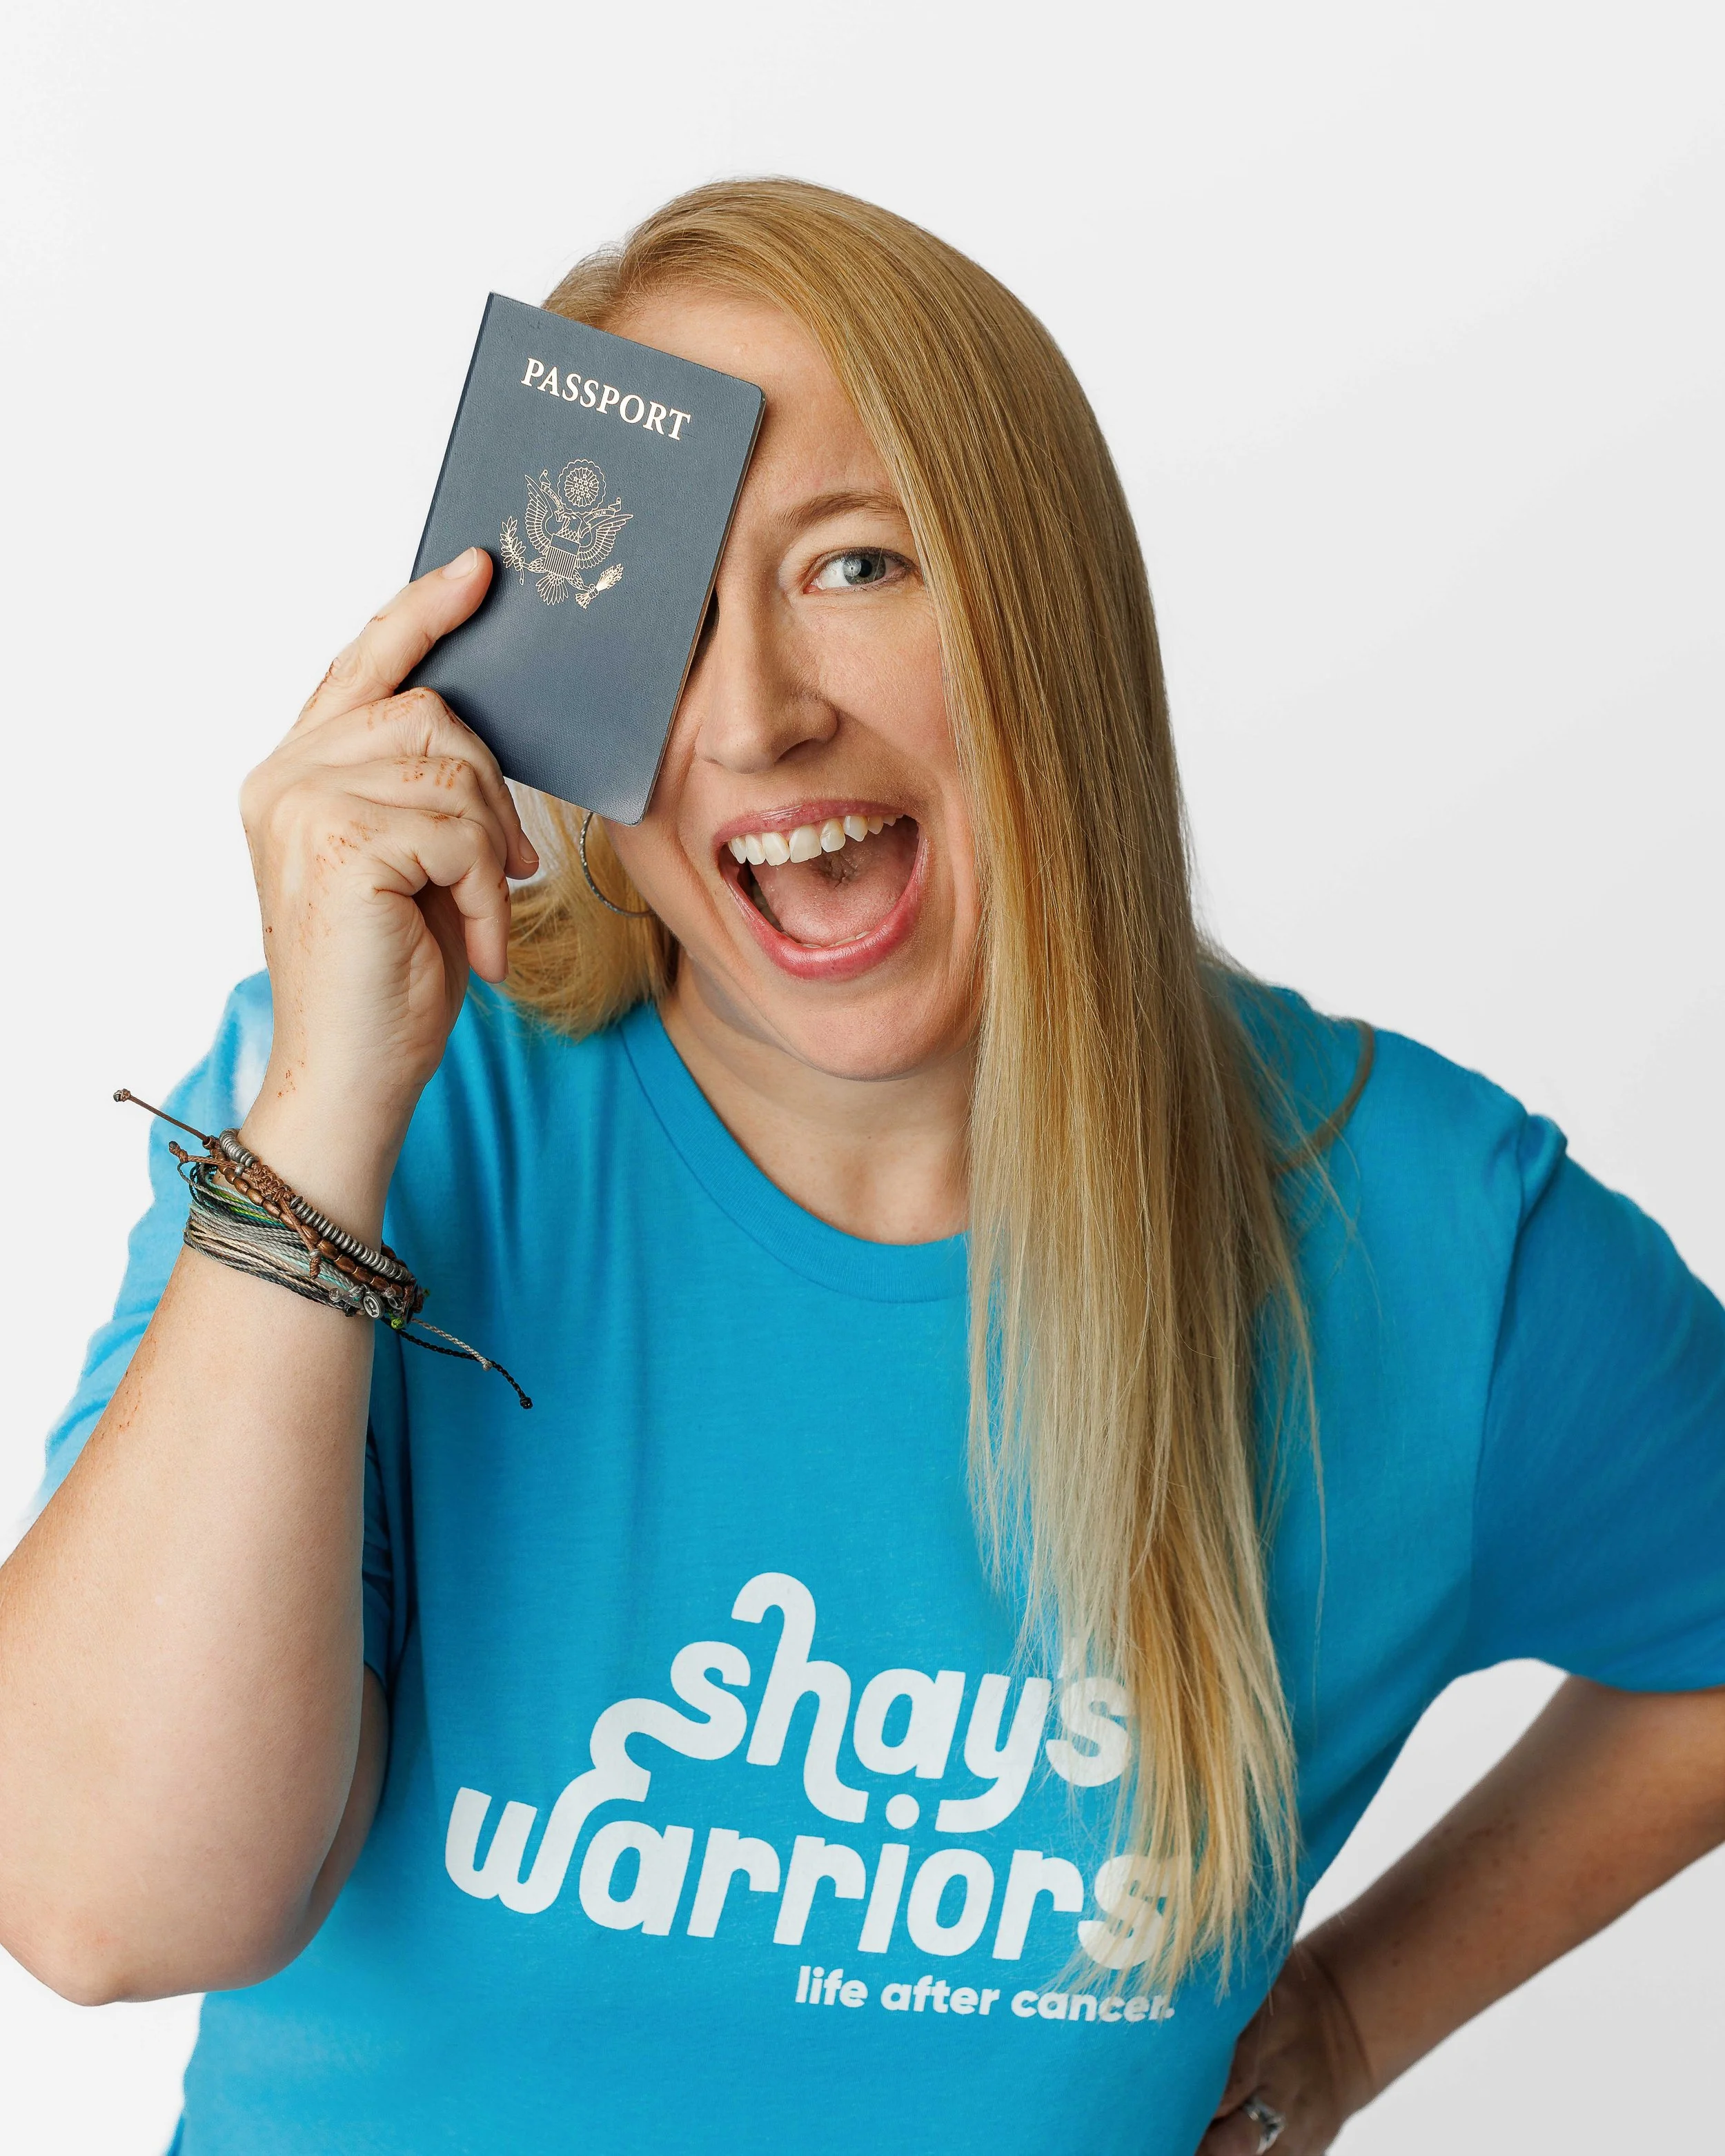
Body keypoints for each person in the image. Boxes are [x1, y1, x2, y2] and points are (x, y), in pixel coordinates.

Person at [2, 179, 1722, 2156]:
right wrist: (324, 1115)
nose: (754, 716)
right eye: (657, 605)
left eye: (858, 564)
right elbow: (102, 1907)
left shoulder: (1424, 1239)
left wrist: (1351, 2014)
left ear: (1046, 612)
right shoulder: (388, 1118)